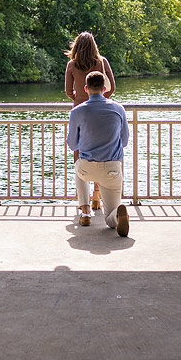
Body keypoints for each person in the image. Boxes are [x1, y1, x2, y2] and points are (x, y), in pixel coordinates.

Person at [66, 71, 130, 236]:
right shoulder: (118, 108)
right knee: (109, 216)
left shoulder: (77, 112)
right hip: (112, 168)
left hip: (88, 166)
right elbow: (124, 141)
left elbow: (72, 145)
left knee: (78, 170)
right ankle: (117, 216)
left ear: (86, 88)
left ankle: (85, 212)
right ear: (104, 88)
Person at [64, 32, 115, 209]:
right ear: (94, 46)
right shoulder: (102, 62)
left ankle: (82, 201)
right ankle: (96, 196)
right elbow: (112, 88)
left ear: (76, 46)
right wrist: (100, 98)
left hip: (79, 111)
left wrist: (79, 98)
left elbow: (68, 92)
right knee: (99, 150)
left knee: (78, 151)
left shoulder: (72, 64)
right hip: (100, 111)